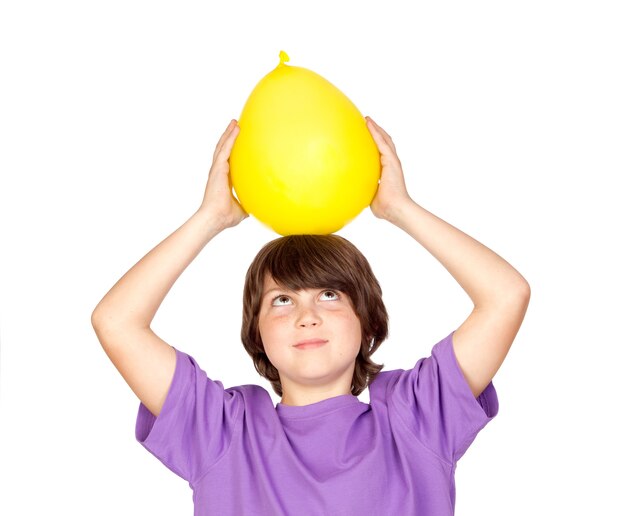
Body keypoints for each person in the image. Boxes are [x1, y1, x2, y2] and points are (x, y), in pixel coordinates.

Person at [92, 117, 530, 515]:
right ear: (257, 334)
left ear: (368, 321)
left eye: (329, 294)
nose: (307, 316)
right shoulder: (222, 431)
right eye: (282, 300)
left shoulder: (416, 418)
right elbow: (116, 322)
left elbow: (506, 296)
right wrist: (210, 218)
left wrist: (400, 208)